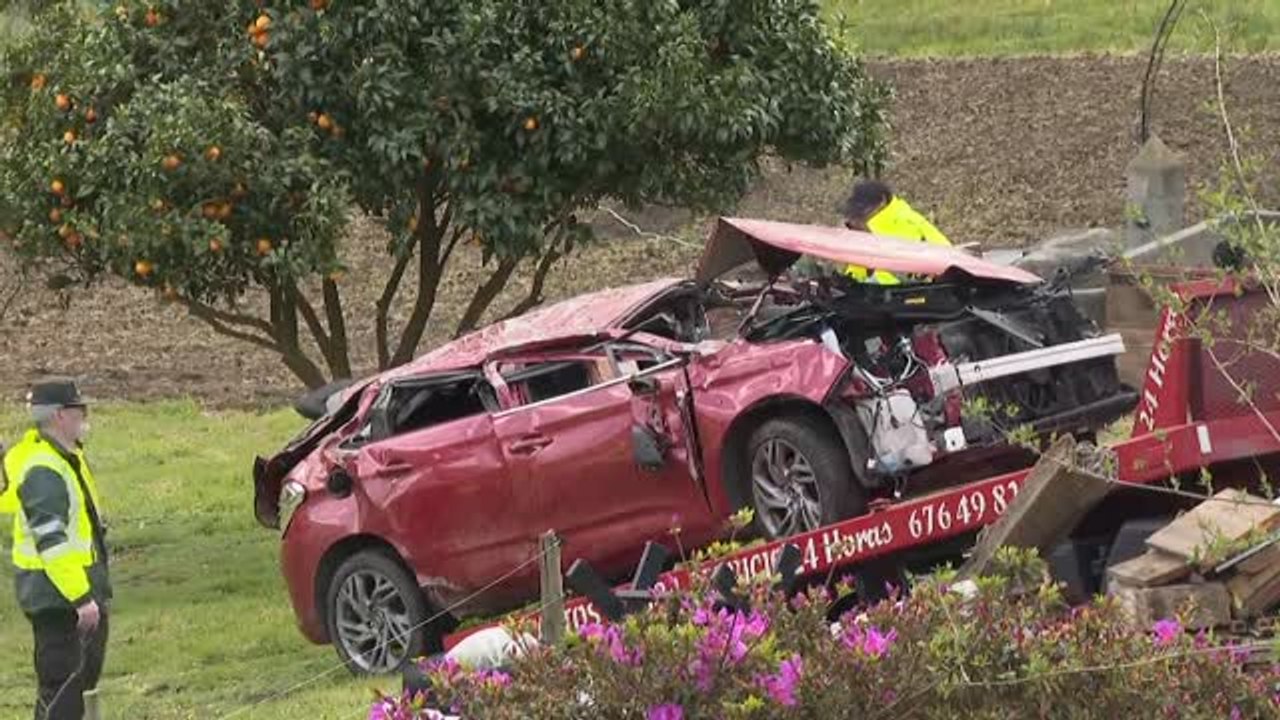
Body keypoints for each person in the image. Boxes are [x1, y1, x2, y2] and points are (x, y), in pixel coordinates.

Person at [3, 378, 110, 720]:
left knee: (73, 689)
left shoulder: (62, 457)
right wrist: (81, 598)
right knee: (63, 692)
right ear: (60, 415)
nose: (85, 417)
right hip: (60, 599)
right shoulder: (44, 468)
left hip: (66, 594)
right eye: (79, 409)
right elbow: (52, 543)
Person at [841, 180, 952, 285]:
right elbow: (856, 271)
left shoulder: (903, 222)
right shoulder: (880, 224)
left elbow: (896, 278)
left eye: (863, 210)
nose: (860, 216)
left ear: (882, 202)